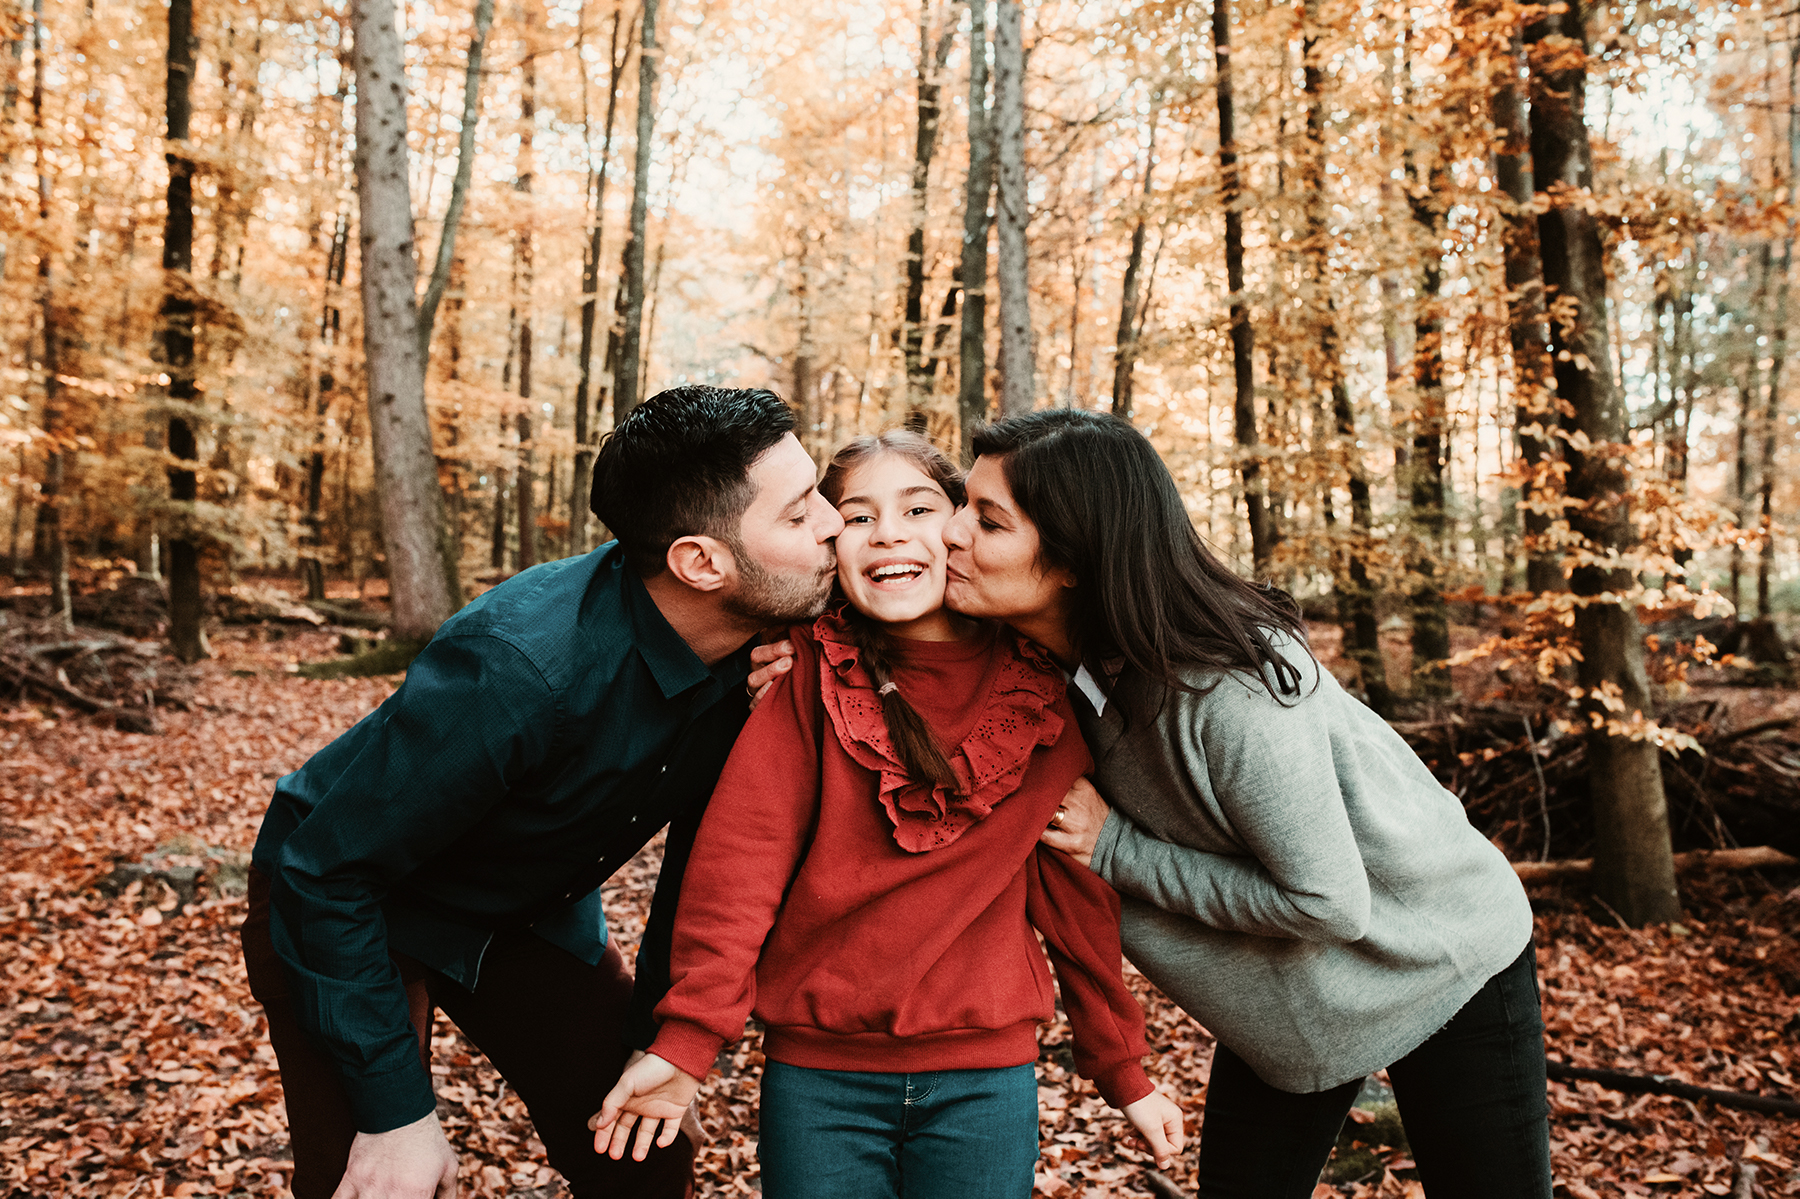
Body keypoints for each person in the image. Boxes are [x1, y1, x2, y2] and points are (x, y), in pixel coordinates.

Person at [239, 386, 844, 1199]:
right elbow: (326, 872)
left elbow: (706, 869)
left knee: (644, 1151)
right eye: (801, 513)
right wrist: (397, 1116)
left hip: (525, 908)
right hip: (348, 903)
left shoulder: (765, 645)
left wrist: (662, 1044)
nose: (834, 524)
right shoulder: (519, 669)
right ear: (702, 562)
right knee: (379, 1183)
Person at [937, 409, 1550, 1199]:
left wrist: (1118, 850)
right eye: (962, 503)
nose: (951, 532)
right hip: (1288, 999)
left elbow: (1328, 900)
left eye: (986, 519)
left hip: (1441, 956)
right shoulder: (1034, 655)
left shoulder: (1231, 693)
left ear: (1075, 560)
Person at [591, 431, 1185, 1199]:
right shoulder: (804, 672)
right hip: (819, 1081)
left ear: (962, 529)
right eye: (859, 517)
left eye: (918, 508)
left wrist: (1123, 1068)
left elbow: (1075, 903)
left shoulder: (1039, 696)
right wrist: (687, 1040)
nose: (891, 533)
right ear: (831, 546)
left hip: (986, 1079)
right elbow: (740, 864)